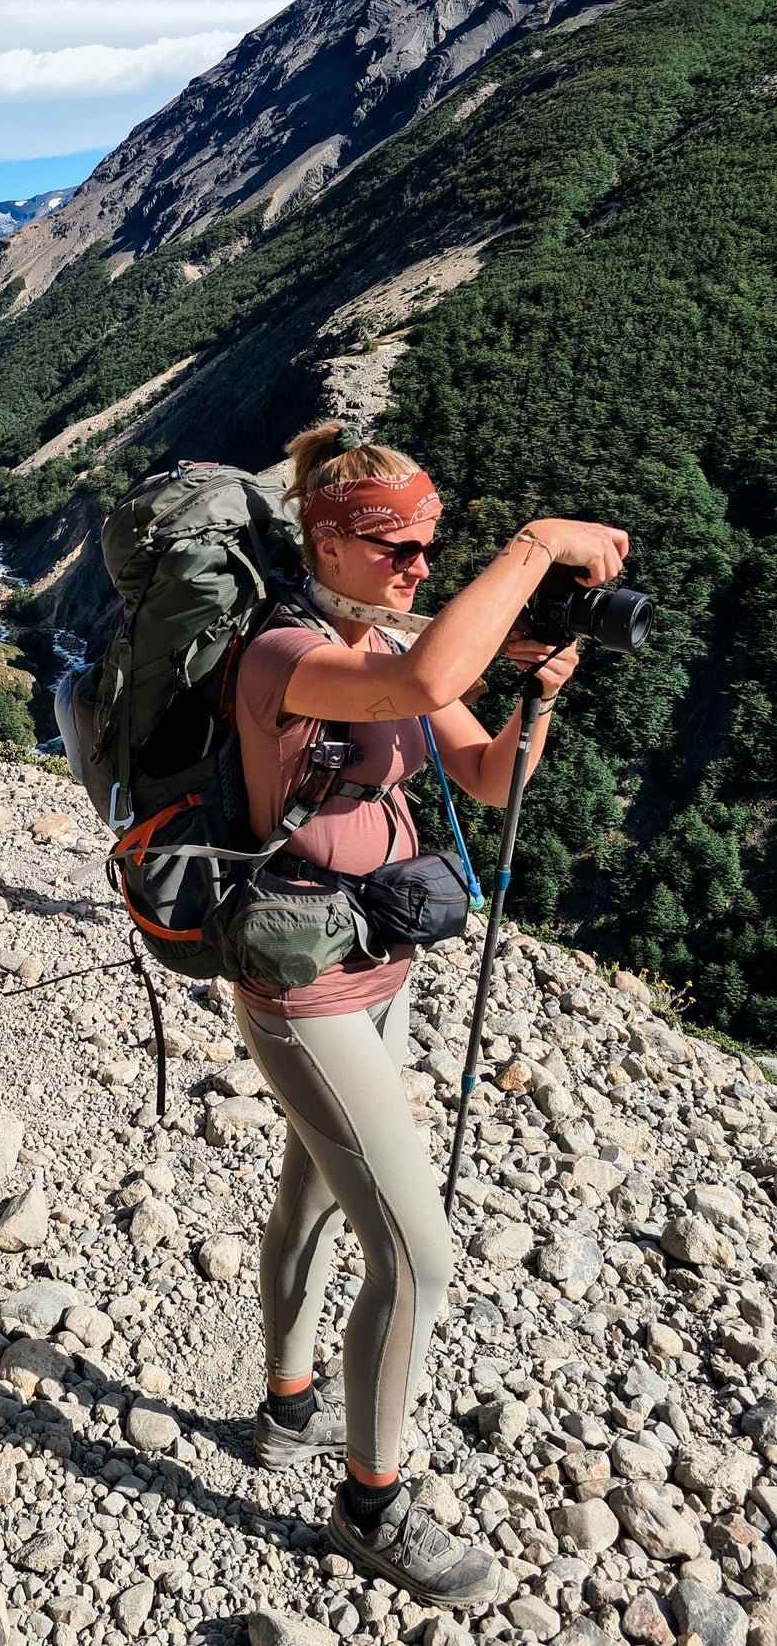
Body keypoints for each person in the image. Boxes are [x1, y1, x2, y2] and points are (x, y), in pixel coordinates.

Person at [233, 419, 628, 1609]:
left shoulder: (379, 636)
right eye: (394, 548)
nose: (416, 567)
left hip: (375, 964)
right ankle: (371, 1504)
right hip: (301, 985)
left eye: (428, 547)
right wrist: (531, 545)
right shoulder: (281, 654)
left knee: (310, 1194)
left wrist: (535, 697)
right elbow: (416, 683)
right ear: (328, 542)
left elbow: (484, 776)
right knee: (417, 1254)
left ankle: (288, 1405)